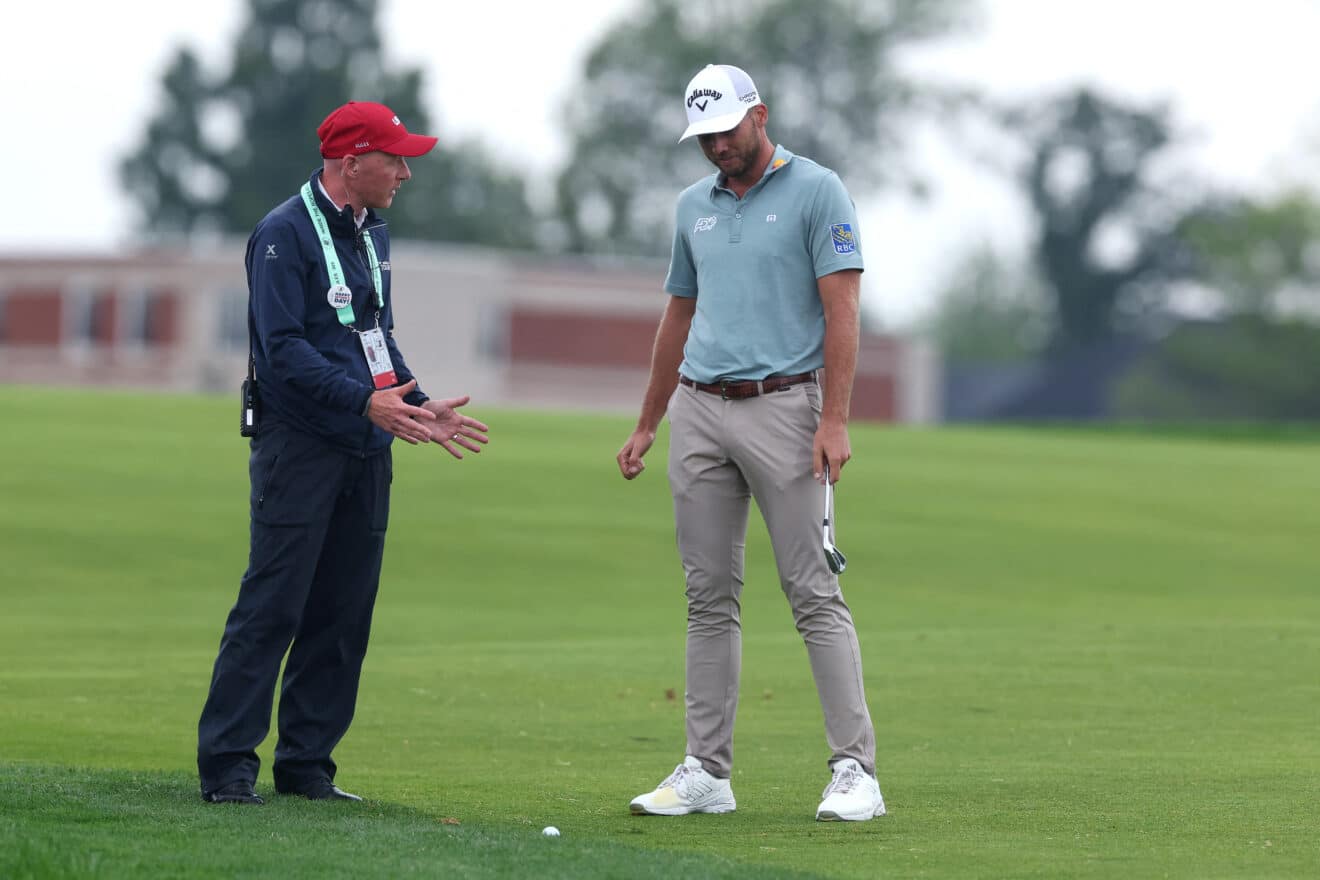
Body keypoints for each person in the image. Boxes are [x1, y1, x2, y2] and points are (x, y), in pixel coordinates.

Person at [197, 101, 489, 805]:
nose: (406, 171)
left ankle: (306, 765)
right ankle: (229, 765)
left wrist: (416, 405)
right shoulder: (281, 234)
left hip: (367, 441)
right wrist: (365, 402)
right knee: (273, 605)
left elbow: (374, 337)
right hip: (299, 444)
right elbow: (283, 350)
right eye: (395, 158)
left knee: (343, 611)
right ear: (352, 162)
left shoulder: (373, 233)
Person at [616, 65, 885, 822]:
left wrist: (835, 418)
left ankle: (855, 770)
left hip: (787, 406)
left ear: (759, 116)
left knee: (812, 593)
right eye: (703, 138)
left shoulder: (818, 191)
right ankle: (707, 770)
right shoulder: (691, 207)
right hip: (701, 411)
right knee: (708, 599)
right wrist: (648, 420)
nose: (716, 148)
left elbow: (843, 310)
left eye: (727, 132)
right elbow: (678, 316)